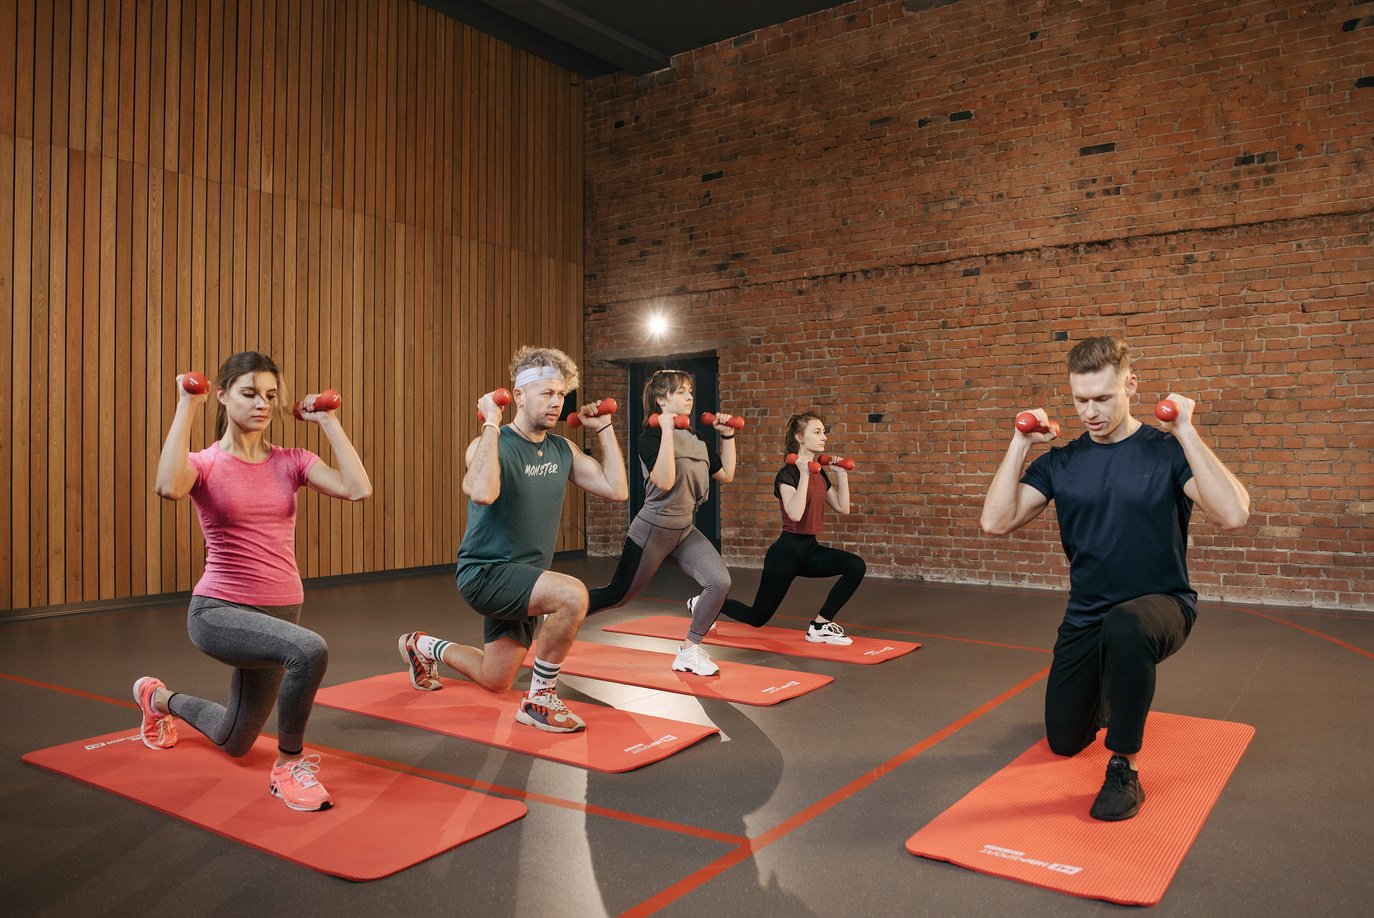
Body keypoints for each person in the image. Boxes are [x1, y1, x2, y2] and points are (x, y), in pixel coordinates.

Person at [980, 335, 1250, 821]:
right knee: (1064, 741)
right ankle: (1108, 686)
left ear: (1131, 384)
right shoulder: (1062, 463)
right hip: (1087, 614)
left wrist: (1186, 432)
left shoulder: (1164, 453)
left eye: (1103, 398)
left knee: (1127, 626)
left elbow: (1233, 514)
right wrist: (1020, 442)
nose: (1090, 411)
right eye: (1080, 400)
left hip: (1161, 606)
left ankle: (1124, 766)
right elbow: (996, 522)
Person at [133, 351, 372, 812]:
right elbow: (167, 486)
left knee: (235, 740)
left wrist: (327, 421)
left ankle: (157, 698)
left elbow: (357, 488)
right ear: (222, 396)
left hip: (281, 612)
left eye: (270, 395)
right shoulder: (204, 464)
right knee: (310, 649)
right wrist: (186, 404)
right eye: (248, 394)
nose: (262, 404)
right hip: (220, 612)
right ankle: (288, 768)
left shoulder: (292, 461)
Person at [397, 346, 628, 733]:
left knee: (495, 679)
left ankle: (420, 645)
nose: (556, 403)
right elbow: (484, 492)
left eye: (560, 394)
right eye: (546, 393)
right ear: (518, 395)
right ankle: (539, 700)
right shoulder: (489, 444)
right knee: (572, 596)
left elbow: (616, 489)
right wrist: (490, 423)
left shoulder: (562, 449)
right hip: (485, 573)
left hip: (524, 578)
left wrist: (603, 428)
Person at [585, 369, 738, 675]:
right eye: (681, 392)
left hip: (683, 529)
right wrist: (668, 431)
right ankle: (560, 609)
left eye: (690, 390)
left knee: (720, 582)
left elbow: (726, 474)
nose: (689, 397)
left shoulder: (696, 438)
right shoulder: (650, 437)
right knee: (617, 596)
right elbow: (665, 482)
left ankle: (689, 651)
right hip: (653, 529)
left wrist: (728, 435)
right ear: (660, 400)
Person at [718, 413, 865, 644]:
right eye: (817, 432)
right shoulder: (787, 474)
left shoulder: (819, 472)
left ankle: (820, 625)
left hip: (810, 551)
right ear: (799, 437)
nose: (824, 437)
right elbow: (794, 515)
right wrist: (804, 474)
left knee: (855, 566)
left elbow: (842, 507)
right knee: (757, 617)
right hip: (785, 555)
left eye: (824, 432)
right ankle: (704, 603)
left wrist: (842, 475)